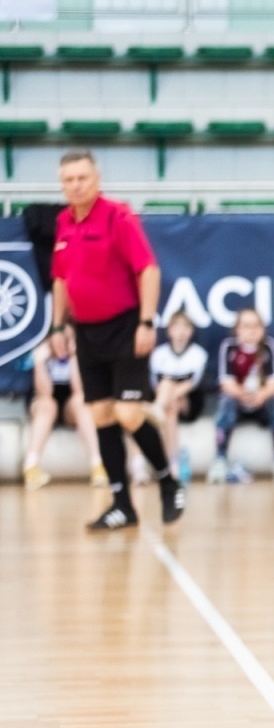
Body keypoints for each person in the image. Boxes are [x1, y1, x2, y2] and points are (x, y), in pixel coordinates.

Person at [47, 149, 183, 530]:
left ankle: (168, 481)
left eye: (82, 178)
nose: (75, 186)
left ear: (97, 179)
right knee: (101, 417)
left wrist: (146, 321)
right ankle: (122, 505)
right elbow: (60, 279)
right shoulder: (62, 222)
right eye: (68, 180)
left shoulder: (118, 216)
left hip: (125, 327)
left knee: (128, 413)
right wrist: (57, 327)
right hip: (86, 332)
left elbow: (148, 269)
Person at [209, 307, 274, 484]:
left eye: (256, 326)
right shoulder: (229, 347)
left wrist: (261, 395)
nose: (252, 330)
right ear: (237, 329)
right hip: (239, 402)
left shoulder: (269, 346)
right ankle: (220, 460)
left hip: (262, 403)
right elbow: (226, 383)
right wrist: (242, 394)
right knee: (225, 401)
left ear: (262, 328)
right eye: (246, 326)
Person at [22, 326, 106, 490]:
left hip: (69, 407)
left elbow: (80, 390)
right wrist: (39, 363)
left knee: (81, 401)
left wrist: (75, 357)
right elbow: (44, 392)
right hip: (44, 406)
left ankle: (98, 464)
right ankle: (31, 465)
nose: (64, 343)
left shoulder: (78, 356)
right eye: (61, 338)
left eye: (69, 339)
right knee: (47, 403)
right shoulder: (41, 356)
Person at [149, 309, 208, 483]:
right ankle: (172, 463)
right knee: (170, 403)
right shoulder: (158, 355)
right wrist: (167, 395)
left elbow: (192, 384)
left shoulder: (198, 355)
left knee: (170, 393)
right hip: (169, 402)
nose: (181, 333)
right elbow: (155, 384)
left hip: (189, 403)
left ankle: (157, 409)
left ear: (191, 332)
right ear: (169, 331)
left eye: (186, 328)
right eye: (176, 327)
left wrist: (169, 394)